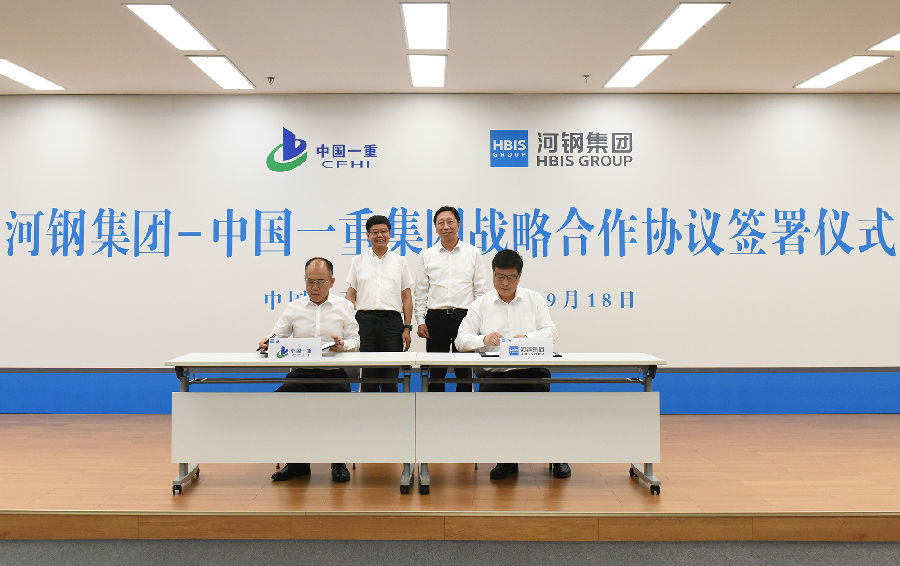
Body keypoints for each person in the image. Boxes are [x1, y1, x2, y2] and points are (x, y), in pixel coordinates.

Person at [454, 248, 571, 480]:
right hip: (495, 375)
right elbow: (460, 340)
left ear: (519, 277)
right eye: (500, 276)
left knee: (544, 415)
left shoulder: (533, 299)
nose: (505, 283)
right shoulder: (481, 304)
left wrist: (528, 338)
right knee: (499, 418)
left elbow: (552, 332)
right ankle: (506, 461)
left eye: (510, 277)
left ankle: (556, 457)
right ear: (493, 274)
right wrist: (483, 340)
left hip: (530, 372)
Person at [257, 257, 360, 483]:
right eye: (309, 281)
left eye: (320, 282)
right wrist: (268, 342)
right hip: (302, 373)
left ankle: (338, 462)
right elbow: (278, 335)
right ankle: (297, 464)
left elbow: (355, 340)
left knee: (341, 404)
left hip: (333, 373)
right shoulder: (294, 308)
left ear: (332, 282)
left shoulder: (344, 307)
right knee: (283, 400)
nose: (314, 287)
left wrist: (343, 344)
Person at [414, 205, 490, 392]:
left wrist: (478, 321)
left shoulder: (472, 252)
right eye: (441, 223)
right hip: (436, 318)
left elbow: (480, 290)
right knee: (435, 372)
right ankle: (434, 407)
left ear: (458, 224)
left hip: (464, 318)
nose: (446, 226)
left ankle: (463, 408)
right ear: (435, 227)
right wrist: (421, 321)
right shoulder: (427, 255)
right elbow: (421, 292)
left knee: (464, 371)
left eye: (450, 222)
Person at [345, 215, 414, 392]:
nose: (379, 235)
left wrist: (407, 328)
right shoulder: (358, 261)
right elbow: (351, 295)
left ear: (390, 234)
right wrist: (348, 324)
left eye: (383, 231)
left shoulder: (400, 262)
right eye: (375, 232)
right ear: (368, 235)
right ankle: (369, 408)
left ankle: (391, 408)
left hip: (392, 322)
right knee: (368, 374)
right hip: (364, 321)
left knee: (391, 373)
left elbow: (406, 297)